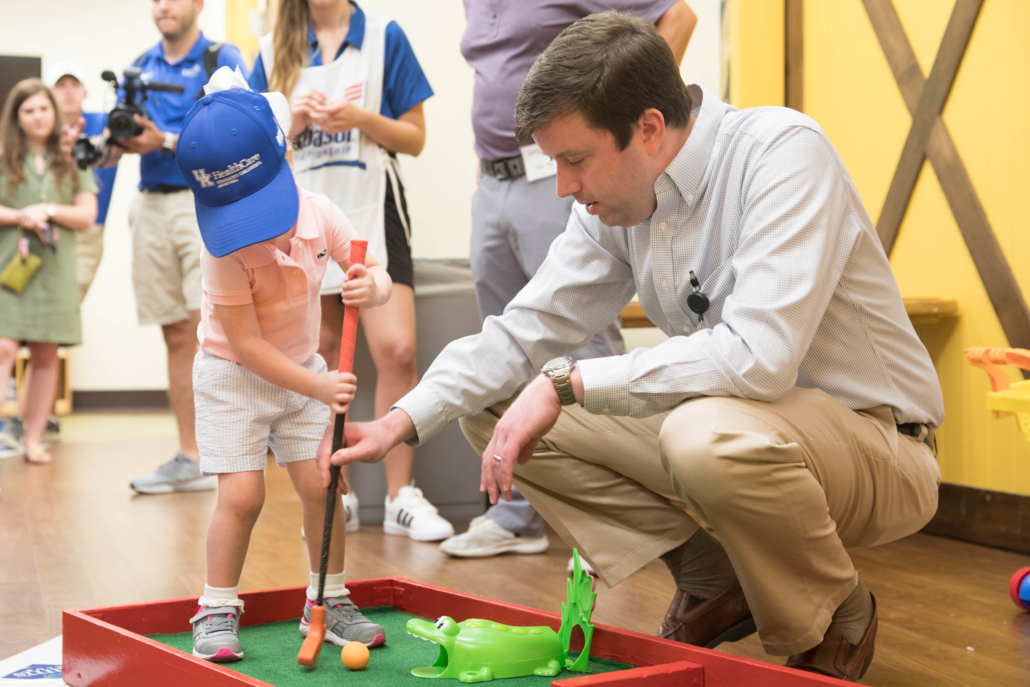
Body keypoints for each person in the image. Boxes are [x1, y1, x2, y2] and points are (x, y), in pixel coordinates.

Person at [319, 13, 944, 682]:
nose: (562, 186)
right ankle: (714, 579)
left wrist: (567, 382)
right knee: (495, 405)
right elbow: (523, 328)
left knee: (702, 433)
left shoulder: (782, 153)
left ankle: (837, 616)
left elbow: (757, 358)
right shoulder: (615, 207)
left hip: (881, 447)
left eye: (574, 160)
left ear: (648, 128)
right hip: (737, 430)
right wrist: (401, 419)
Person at [441, 0, 696, 562]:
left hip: (556, 172)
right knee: (508, 341)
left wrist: (628, 130)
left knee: (580, 339)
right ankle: (515, 515)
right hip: (495, 177)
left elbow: (677, 16)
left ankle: (623, 516)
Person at [178, 78, 392, 661]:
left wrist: (371, 286)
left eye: (260, 205)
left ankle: (329, 598)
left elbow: (376, 275)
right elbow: (245, 345)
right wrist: (320, 385)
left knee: (325, 487)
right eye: (236, 213)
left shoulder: (322, 215)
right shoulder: (220, 247)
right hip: (232, 377)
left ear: (287, 155)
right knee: (243, 497)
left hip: (301, 371)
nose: (251, 227)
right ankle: (216, 607)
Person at [250, 0, 452, 542]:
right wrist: (291, 121)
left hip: (373, 209)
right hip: (301, 217)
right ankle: (332, 486)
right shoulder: (272, 49)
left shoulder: (385, 35)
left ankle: (400, 497)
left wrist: (360, 118)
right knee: (317, 360)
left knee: (398, 351)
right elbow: (249, 147)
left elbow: (415, 137)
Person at [96, 0, 250, 494]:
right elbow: (114, 146)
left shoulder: (221, 58)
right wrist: (102, 146)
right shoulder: (138, 67)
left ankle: (235, 453)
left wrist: (163, 140)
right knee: (177, 335)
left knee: (217, 330)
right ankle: (191, 455)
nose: (164, 5)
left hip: (202, 201)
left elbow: (241, 132)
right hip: (151, 205)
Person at [0, 80, 97, 463]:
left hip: (55, 268)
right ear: (17, 118)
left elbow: (87, 214)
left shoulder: (73, 158)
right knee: (3, 346)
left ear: (54, 113)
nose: (38, 117)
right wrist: (21, 215)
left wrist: (50, 211)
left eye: (43, 108)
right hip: (10, 266)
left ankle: (33, 439)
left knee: (45, 354)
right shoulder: (5, 156)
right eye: (28, 110)